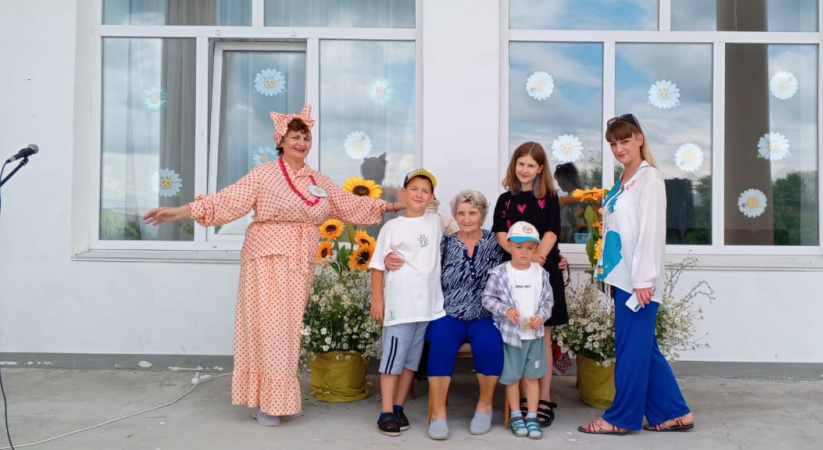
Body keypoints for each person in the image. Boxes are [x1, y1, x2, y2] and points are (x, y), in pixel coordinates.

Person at [141, 105, 404, 427]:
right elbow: (226, 201)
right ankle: (267, 401)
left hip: (299, 262)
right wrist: (180, 211)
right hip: (266, 258)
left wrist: (395, 205)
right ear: (280, 141)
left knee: (288, 332)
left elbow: (349, 203)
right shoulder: (264, 175)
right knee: (269, 330)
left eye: (306, 137)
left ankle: (275, 397)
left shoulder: (317, 180)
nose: (302, 143)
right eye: (295, 137)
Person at [384, 190, 570, 440]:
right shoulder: (445, 243)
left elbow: (524, 258)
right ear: (455, 216)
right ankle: (438, 413)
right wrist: (387, 257)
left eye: (472, 213)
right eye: (461, 213)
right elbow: (417, 257)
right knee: (440, 344)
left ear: (482, 215)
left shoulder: (496, 243)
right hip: (448, 313)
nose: (466, 218)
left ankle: (484, 407)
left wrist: (558, 261)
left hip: (486, 315)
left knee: (490, 344)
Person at [578, 113, 694, 435]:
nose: (619, 149)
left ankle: (620, 418)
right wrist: (610, 276)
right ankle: (674, 412)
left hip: (639, 283)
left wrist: (642, 280)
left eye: (625, 141)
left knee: (631, 351)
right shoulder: (624, 180)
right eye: (613, 143)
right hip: (623, 278)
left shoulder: (649, 179)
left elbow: (651, 232)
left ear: (639, 139)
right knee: (643, 348)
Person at [368, 168, 447, 437]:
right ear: (403, 192)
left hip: (426, 309)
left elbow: (459, 229)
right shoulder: (392, 227)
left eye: (425, 191)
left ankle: (398, 407)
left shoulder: (436, 222)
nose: (419, 194)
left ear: (432, 197)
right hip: (400, 307)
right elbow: (377, 265)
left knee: (411, 362)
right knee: (393, 361)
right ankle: (385, 412)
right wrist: (377, 299)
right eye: (414, 189)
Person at [492, 142, 566, 426]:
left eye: (531, 165)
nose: (524, 170)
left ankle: (542, 398)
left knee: (541, 333)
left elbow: (551, 232)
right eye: (520, 164)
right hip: (512, 272)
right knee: (516, 333)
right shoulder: (505, 200)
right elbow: (501, 233)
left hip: (542, 270)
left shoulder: (550, 197)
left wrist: (536, 258)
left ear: (540, 168)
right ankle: (523, 398)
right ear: (514, 165)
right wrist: (518, 257)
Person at [482, 221, 554, 440]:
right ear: (509, 245)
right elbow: (487, 298)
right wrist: (506, 310)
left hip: (534, 335)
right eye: (519, 247)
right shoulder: (500, 273)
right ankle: (515, 415)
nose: (524, 252)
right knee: (512, 377)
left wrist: (541, 316)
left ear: (536, 248)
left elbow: (548, 301)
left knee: (532, 377)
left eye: (530, 248)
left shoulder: (540, 273)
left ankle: (531, 417)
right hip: (511, 336)